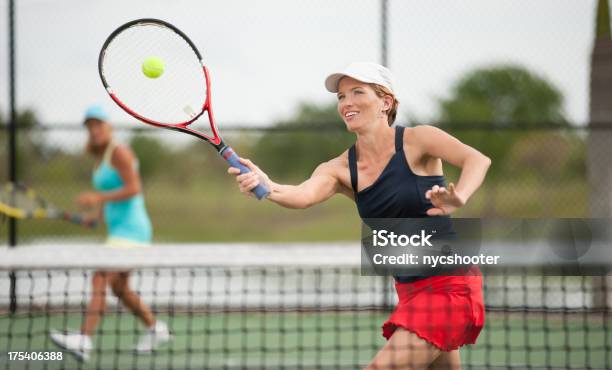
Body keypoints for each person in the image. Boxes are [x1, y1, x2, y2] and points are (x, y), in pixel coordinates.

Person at [229, 62, 491, 369]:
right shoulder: (338, 169)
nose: (346, 102)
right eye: (341, 96)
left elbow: (477, 160)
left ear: (386, 102)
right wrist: (268, 186)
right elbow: (302, 195)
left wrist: (460, 195)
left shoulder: (419, 139)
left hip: (450, 286)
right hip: (409, 291)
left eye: (357, 92)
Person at [50, 105, 170, 361]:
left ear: (109, 126)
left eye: (98, 124)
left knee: (100, 276)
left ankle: (83, 339)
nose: (94, 130)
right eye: (89, 126)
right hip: (118, 230)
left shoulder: (120, 152)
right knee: (120, 289)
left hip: (132, 231)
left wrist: (97, 196)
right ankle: (155, 329)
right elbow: (109, 200)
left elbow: (134, 188)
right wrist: (94, 219)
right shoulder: (100, 158)